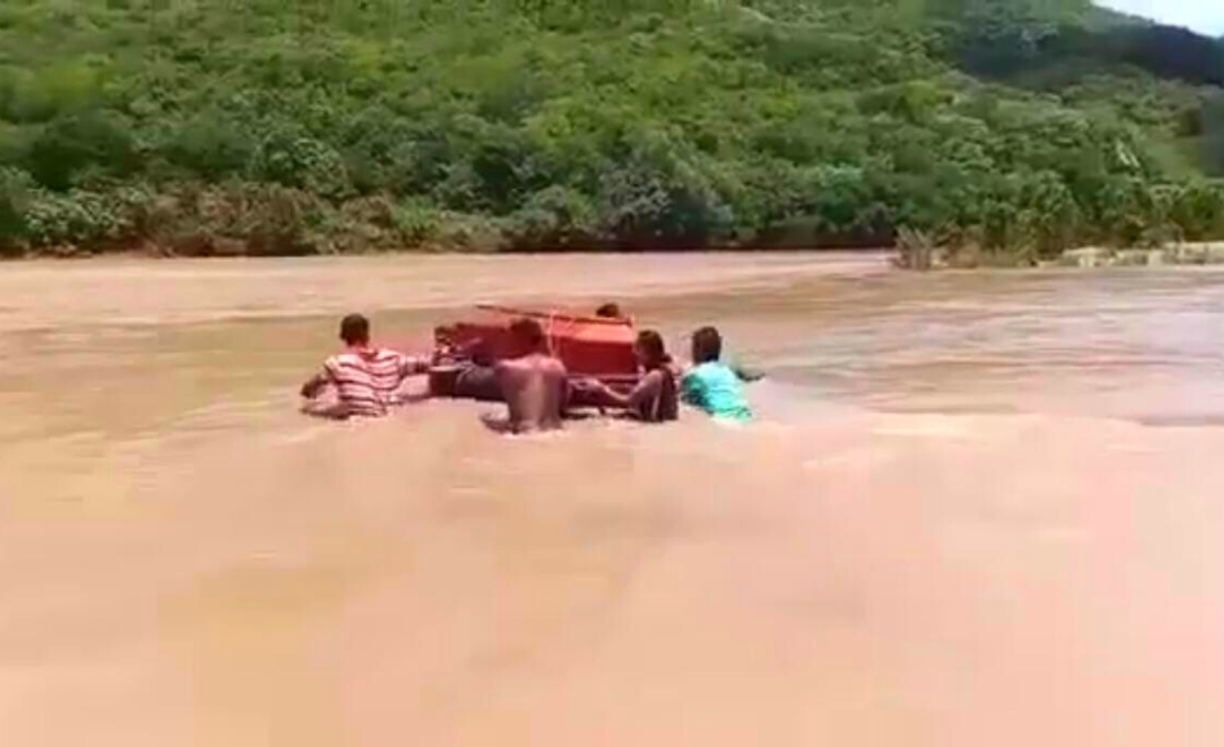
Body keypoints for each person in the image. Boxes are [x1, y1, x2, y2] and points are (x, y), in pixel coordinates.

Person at [300, 313, 429, 419]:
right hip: (391, 415)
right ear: (367, 335)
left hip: (359, 419)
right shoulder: (393, 358)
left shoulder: (337, 363)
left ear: (342, 337)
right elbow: (429, 365)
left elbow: (307, 391)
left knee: (307, 409)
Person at [494, 317, 569, 433]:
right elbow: (563, 405)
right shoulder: (558, 366)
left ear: (518, 338)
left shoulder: (505, 368)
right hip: (556, 432)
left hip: (524, 434)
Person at [585, 330, 678, 423]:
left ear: (648, 352)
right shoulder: (666, 371)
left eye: (637, 348)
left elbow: (628, 401)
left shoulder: (653, 376)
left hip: (654, 427)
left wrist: (601, 389)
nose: (634, 352)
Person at [681, 326, 752, 422]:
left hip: (721, 420)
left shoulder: (694, 376)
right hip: (744, 416)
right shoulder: (729, 370)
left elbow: (687, 403)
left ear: (697, 350)